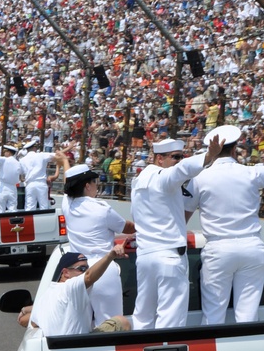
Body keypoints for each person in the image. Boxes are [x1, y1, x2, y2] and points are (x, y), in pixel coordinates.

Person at [189, 119, 264, 325]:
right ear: (235, 149)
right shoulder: (251, 172)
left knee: (213, 316)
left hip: (219, 248)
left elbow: (183, 216)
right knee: (247, 317)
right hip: (251, 246)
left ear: (212, 149)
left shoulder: (199, 178)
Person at [130, 135, 222, 330]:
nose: (179, 161)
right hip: (168, 256)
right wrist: (208, 156)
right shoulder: (164, 177)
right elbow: (183, 170)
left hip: (145, 256)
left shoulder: (138, 181)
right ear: (159, 159)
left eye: (181, 156)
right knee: (170, 320)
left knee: (143, 317)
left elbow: (136, 216)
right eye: (175, 156)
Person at [55, 155, 136, 325]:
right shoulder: (101, 209)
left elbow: (67, 182)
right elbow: (127, 228)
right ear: (87, 185)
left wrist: (64, 162)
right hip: (103, 268)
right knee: (111, 323)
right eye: (94, 182)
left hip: (77, 270)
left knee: (80, 323)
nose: (96, 186)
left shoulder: (67, 204)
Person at [26, 248, 130, 336]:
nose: (85, 272)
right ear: (66, 272)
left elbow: (33, 323)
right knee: (122, 321)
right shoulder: (70, 288)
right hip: (80, 348)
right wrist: (110, 256)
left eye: (87, 268)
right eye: (82, 268)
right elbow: (89, 277)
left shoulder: (45, 297)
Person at [19, 139, 55, 210]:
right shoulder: (41, 155)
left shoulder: (22, 160)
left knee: (30, 207)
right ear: (34, 148)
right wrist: (68, 148)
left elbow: (21, 173)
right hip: (41, 183)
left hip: (30, 184)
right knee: (44, 207)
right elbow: (56, 155)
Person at [0, 144, 22, 213]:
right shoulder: (18, 163)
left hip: (3, 186)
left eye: (5, 151)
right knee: (13, 210)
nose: (4, 153)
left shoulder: (4, 160)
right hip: (13, 188)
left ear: (9, 152)